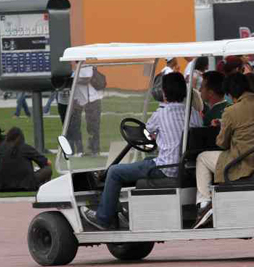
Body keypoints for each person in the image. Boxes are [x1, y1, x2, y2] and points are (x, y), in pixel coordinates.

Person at [81, 72, 202, 230]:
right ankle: (123, 211)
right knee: (144, 162)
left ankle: (103, 218)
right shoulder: (193, 114)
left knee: (114, 172)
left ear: (164, 92)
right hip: (186, 168)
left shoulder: (160, 114)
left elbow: (147, 133)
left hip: (166, 169)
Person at [193, 73, 254, 228]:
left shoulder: (231, 111)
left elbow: (221, 143)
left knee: (202, 157)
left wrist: (223, 127)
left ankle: (204, 203)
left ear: (230, 94)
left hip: (241, 162)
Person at [0, 127, 52, 192]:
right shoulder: (26, 147)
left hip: (2, 185)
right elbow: (47, 163)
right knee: (48, 169)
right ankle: (46, 187)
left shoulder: (1, 148)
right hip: (26, 184)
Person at [67, 63, 103, 157]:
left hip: (92, 99)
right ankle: (83, 150)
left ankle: (95, 150)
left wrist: (73, 80)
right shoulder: (73, 69)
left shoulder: (85, 66)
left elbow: (87, 79)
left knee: (93, 126)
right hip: (80, 100)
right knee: (77, 125)